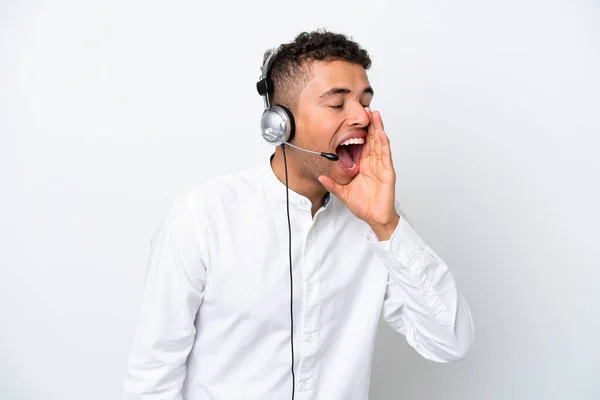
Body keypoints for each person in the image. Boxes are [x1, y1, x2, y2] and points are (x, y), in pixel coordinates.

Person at [122, 29, 475, 400]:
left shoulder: (376, 222)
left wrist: (386, 226)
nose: (362, 117)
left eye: (365, 102)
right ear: (279, 124)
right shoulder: (203, 215)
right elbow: (153, 376)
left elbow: (449, 342)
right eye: (337, 104)